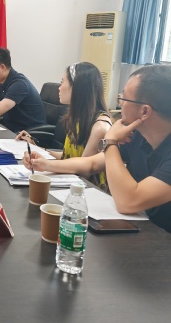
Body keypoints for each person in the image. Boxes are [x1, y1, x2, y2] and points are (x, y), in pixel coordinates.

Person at [24, 65, 171, 232]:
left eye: (124, 99)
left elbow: (128, 201)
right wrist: (46, 164)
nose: (120, 104)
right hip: (143, 230)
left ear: (144, 111)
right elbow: (91, 163)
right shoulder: (137, 136)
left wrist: (110, 142)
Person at [17, 62, 112, 189]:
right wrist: (40, 150)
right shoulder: (78, 117)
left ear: (77, 88)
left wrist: (47, 165)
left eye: (62, 82)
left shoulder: (100, 127)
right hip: (71, 183)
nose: (59, 88)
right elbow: (68, 157)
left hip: (87, 190)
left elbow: (83, 171)